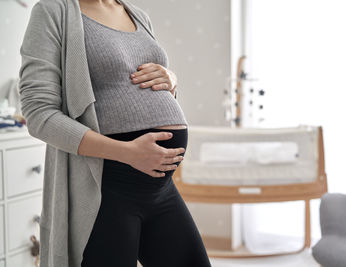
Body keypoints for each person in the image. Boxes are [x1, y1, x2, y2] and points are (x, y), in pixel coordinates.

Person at [19, 0, 212, 266]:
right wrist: (127, 153)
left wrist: (171, 80)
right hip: (107, 191)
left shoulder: (137, 14)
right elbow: (39, 113)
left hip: (160, 189)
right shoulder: (53, 12)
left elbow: (130, 83)